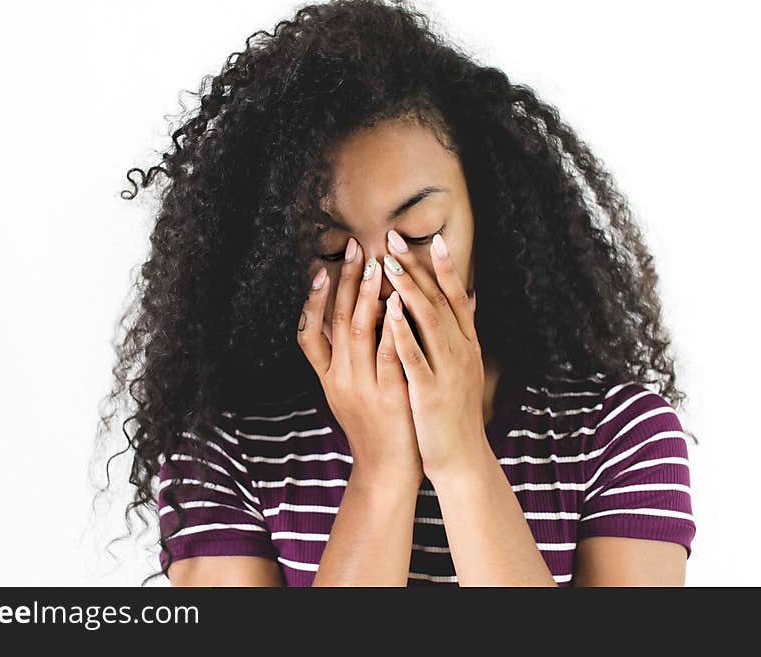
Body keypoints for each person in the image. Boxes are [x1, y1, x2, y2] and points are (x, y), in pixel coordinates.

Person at [98, 0, 696, 586]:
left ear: (486, 213)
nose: (383, 278)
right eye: (334, 250)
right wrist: (382, 473)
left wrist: (462, 457)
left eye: (419, 233)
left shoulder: (620, 437)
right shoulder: (224, 455)